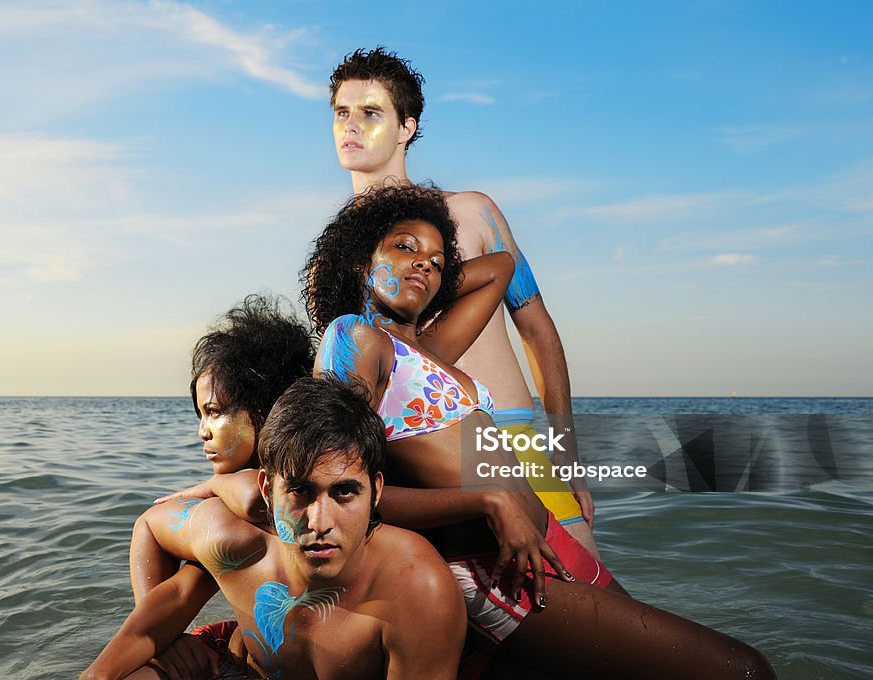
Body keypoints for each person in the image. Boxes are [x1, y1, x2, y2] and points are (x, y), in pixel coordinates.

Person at [306, 184, 775, 679]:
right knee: (742, 668)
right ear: (362, 261)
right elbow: (339, 492)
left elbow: (500, 266)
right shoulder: (355, 339)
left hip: (543, 537)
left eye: (438, 261)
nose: (424, 262)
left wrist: (421, 275)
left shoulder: (427, 348)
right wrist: (489, 502)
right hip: (490, 563)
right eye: (404, 246)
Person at [329, 47, 600, 557]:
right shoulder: (337, 262)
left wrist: (567, 454)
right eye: (342, 113)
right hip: (417, 461)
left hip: (511, 440)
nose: (352, 126)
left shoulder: (472, 215)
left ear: (407, 126)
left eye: (371, 113)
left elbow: (538, 330)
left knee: (593, 596)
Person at [82, 376, 466, 680]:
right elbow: (150, 526)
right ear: (267, 490)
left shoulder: (416, 589)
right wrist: (163, 646)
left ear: (376, 492)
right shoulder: (238, 545)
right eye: (299, 491)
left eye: (345, 492)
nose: (319, 523)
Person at [128, 294, 315, 677]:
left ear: (264, 409)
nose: (202, 431)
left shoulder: (297, 480)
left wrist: (213, 484)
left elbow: (253, 498)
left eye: (213, 412)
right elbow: (185, 580)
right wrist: (166, 640)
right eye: (200, 415)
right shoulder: (231, 512)